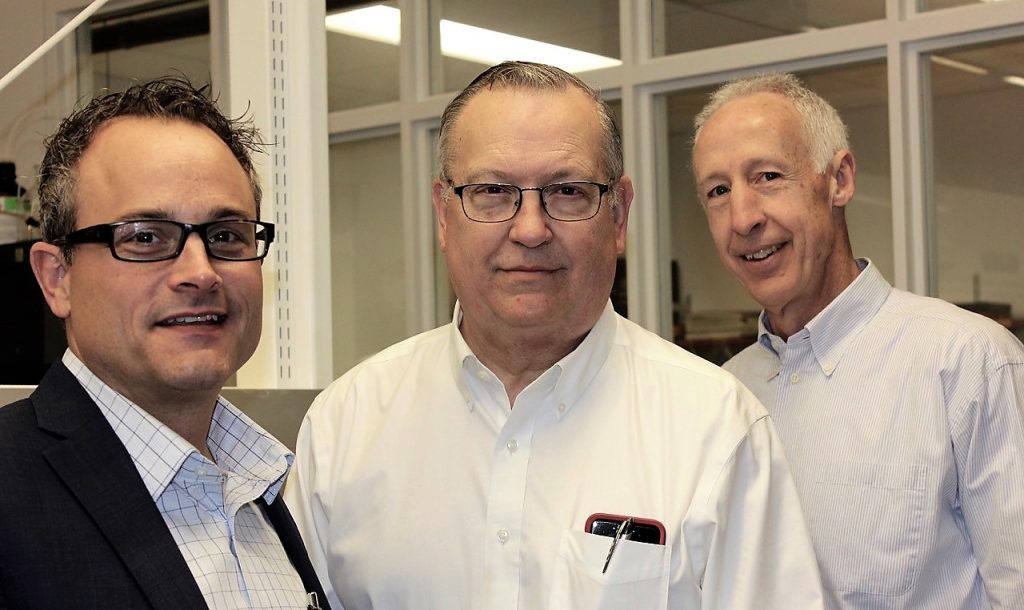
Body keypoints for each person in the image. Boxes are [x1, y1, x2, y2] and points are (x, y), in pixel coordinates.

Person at [284, 60, 824, 609]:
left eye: (567, 191)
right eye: (493, 191)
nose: (530, 229)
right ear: (443, 215)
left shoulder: (718, 431)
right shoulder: (344, 429)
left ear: (618, 215)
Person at [691, 72, 1024, 608]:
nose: (744, 217)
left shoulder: (967, 363)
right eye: (718, 190)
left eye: (769, 176)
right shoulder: (722, 396)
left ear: (839, 180)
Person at [0, 77, 330, 609]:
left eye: (226, 236)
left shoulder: (262, 487)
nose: (200, 273)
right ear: (57, 277)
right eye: (145, 237)